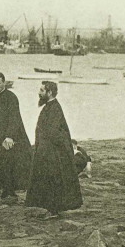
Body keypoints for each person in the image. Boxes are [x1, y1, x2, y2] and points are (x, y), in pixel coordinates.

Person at [25, 81, 83, 216]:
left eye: (42, 90)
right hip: (46, 151)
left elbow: (54, 132)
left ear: (49, 92)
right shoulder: (49, 107)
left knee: (53, 180)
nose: (39, 93)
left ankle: (54, 210)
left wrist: (47, 148)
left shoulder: (55, 108)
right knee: (47, 179)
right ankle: (50, 209)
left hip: (53, 153)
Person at [0, 72, 32, 203]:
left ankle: (11, 192)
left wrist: (10, 136)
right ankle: (6, 190)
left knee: (11, 164)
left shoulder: (11, 97)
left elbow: (14, 118)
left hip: (11, 137)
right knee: (1, 163)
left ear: (4, 83)